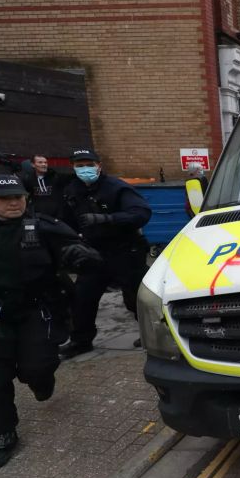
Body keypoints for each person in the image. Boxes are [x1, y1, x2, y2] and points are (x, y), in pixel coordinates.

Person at [0, 174, 100, 469]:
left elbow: (76, 249)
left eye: (18, 196)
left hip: (34, 310)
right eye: (4, 198)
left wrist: (79, 256)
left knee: (36, 366)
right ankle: (0, 432)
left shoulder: (41, 227)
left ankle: (41, 380)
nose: (13, 202)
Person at [59, 149, 151, 359]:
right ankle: (80, 341)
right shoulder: (72, 189)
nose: (84, 169)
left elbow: (141, 213)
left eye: (88, 164)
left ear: (99, 165)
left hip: (125, 251)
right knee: (82, 298)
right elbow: (64, 219)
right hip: (93, 253)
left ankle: (149, 334)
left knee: (138, 297)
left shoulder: (116, 187)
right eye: (79, 165)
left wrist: (107, 219)